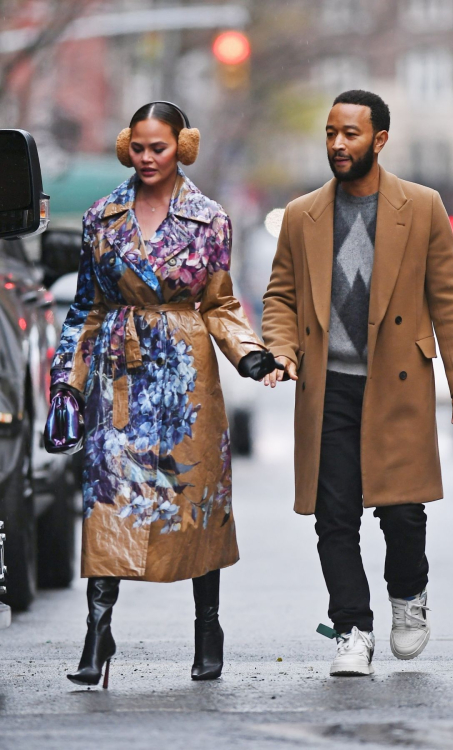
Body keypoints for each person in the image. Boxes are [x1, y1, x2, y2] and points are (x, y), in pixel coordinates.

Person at [50, 101, 281, 688]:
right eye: (139, 147)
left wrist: (250, 355)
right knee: (109, 499)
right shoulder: (103, 215)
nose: (148, 158)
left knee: (197, 502)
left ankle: (209, 630)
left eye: (160, 147)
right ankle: (97, 633)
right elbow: (86, 307)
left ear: (183, 146)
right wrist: (66, 384)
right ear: (127, 145)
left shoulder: (210, 218)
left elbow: (221, 304)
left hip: (186, 380)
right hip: (118, 376)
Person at [261, 90, 453, 676]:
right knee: (334, 516)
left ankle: (408, 596)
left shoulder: (424, 205)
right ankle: (352, 629)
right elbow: (281, 295)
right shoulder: (302, 214)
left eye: (351, 134)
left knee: (403, 513)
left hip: (397, 383)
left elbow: (449, 301)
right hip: (328, 384)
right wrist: (280, 349)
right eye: (331, 132)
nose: (338, 144)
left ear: (379, 140)